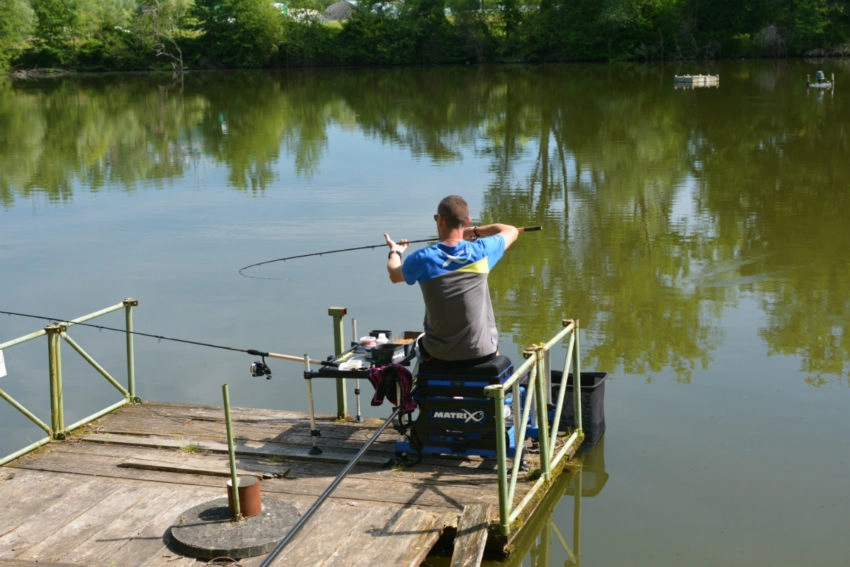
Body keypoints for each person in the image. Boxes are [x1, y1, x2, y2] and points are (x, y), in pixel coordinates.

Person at [384, 195, 519, 366]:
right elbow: (511, 230)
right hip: (482, 354)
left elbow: (394, 275)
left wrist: (395, 252)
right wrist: (475, 231)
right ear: (467, 221)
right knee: (491, 346)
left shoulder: (422, 259)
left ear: (440, 220)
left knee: (420, 346)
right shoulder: (482, 251)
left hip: (439, 356)